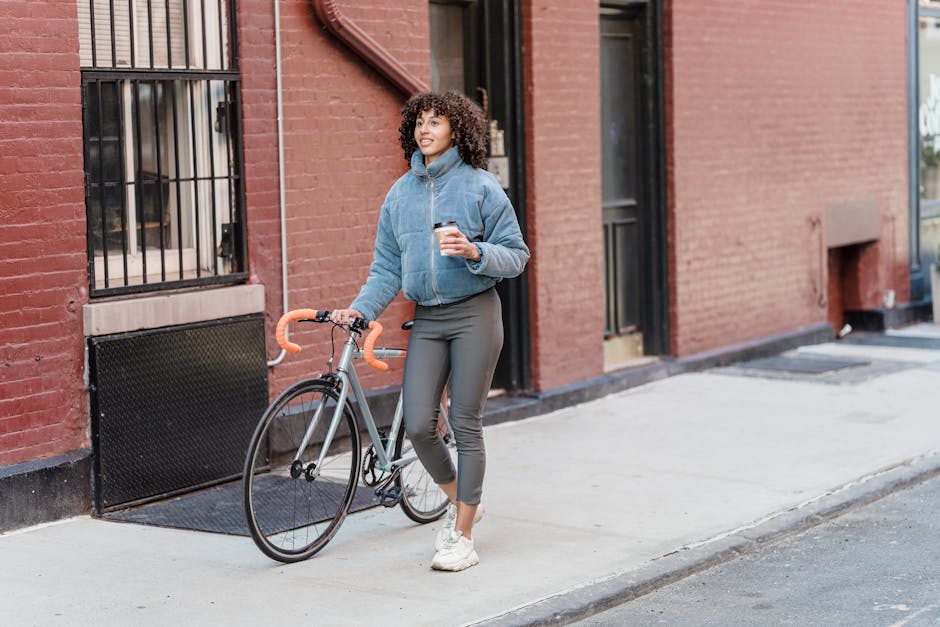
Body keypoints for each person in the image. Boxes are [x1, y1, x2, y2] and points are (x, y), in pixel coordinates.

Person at [331, 91, 529, 571]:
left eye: (436, 122)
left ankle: (461, 535)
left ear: (455, 130)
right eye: (420, 122)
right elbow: (386, 269)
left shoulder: (482, 187)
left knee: (464, 421)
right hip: (429, 319)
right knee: (419, 424)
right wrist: (359, 310)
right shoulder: (400, 194)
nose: (426, 129)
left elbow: (517, 254)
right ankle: (465, 499)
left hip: (475, 313)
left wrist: (475, 252)